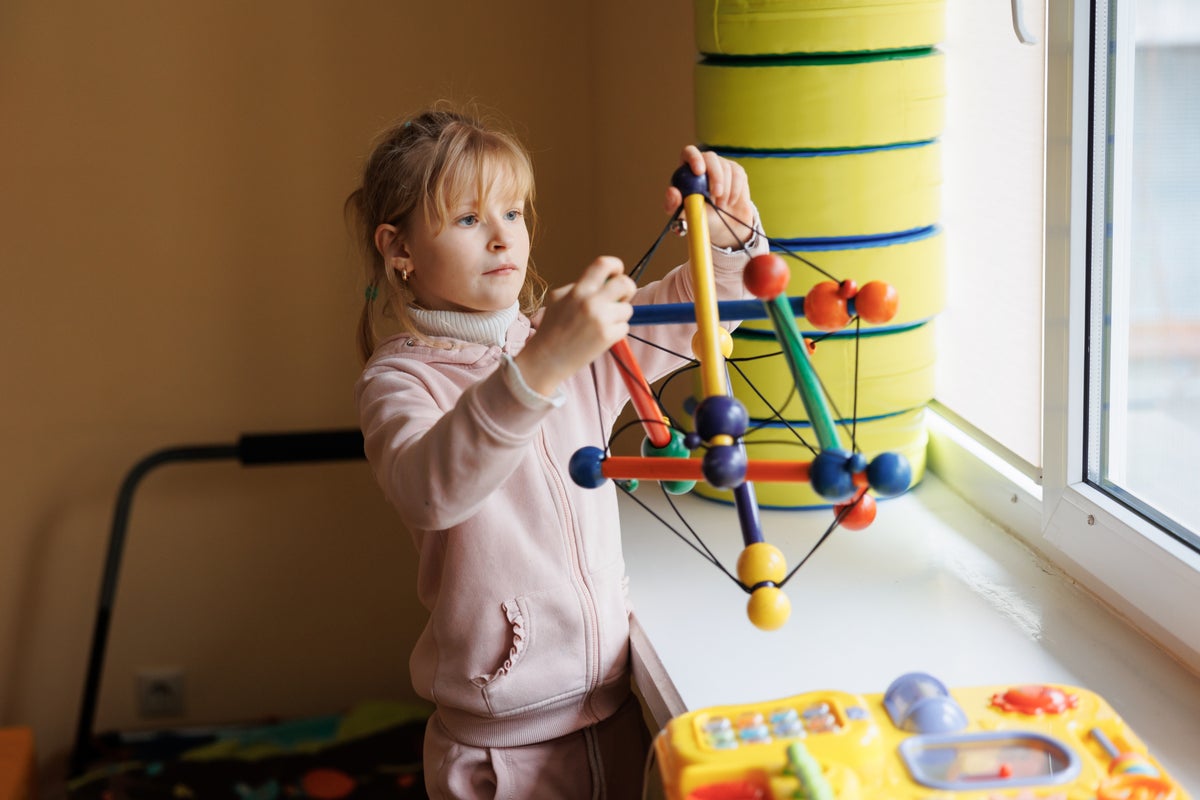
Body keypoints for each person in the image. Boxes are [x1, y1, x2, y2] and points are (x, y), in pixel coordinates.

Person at [348, 107, 764, 799]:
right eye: (467, 218)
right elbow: (432, 488)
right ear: (400, 248)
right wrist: (542, 364)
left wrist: (729, 237)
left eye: (513, 212)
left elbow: (708, 309)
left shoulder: (563, 344)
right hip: (497, 756)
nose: (502, 237)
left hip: (616, 718)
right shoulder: (400, 381)